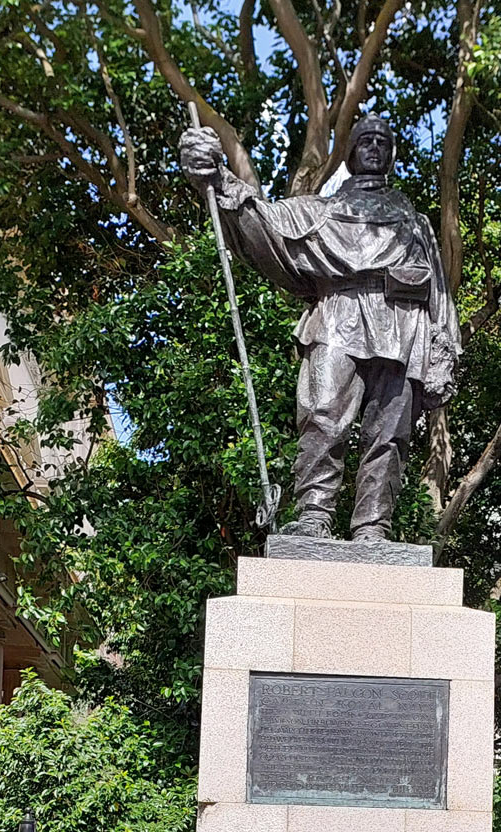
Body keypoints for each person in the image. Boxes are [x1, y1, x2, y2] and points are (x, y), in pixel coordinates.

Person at [180, 114, 460, 542]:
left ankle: (373, 527)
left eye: (382, 142)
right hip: (337, 315)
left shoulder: (414, 224)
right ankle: (312, 514)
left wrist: (444, 351)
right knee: (322, 415)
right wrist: (216, 177)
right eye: (364, 140)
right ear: (349, 153)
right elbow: (264, 222)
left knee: (389, 431)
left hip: (404, 325)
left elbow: (438, 291)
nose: (373, 147)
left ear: (391, 154)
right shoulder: (321, 212)